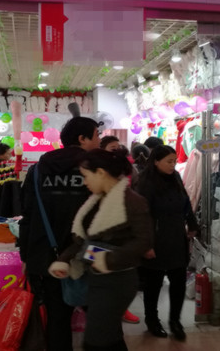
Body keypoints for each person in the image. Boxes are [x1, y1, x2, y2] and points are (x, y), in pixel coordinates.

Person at [48, 149, 153, 351]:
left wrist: (109, 259)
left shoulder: (132, 201)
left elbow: (144, 241)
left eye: (86, 176)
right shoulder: (96, 201)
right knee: (109, 336)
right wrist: (64, 259)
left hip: (118, 280)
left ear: (101, 173)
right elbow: (83, 240)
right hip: (95, 277)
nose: (84, 182)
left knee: (97, 339)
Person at [19, 116, 101, 351]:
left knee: (57, 319)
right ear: (82, 138)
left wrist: (26, 256)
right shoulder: (96, 169)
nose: (99, 140)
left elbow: (28, 215)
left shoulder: (37, 170)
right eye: (97, 135)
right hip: (90, 253)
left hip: (48, 255)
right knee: (100, 316)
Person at [136, 145, 199, 341]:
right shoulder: (146, 182)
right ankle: (152, 320)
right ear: (156, 161)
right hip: (155, 238)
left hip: (176, 236)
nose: (173, 165)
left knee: (178, 281)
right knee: (153, 284)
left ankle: (175, 321)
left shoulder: (176, 178)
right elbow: (141, 216)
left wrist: (192, 223)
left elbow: (186, 202)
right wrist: (146, 244)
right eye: (169, 162)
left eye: (174, 161)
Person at [98, 136, 141, 324]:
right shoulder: (96, 168)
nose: (115, 150)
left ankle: (122, 309)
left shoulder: (128, 168)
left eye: (117, 147)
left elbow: (138, 191)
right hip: (101, 228)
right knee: (101, 268)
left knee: (122, 269)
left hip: (124, 226)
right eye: (111, 147)